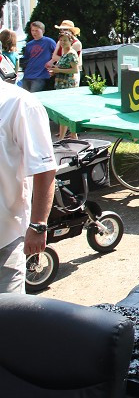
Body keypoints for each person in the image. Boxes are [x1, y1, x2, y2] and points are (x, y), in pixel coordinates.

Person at [0, 80, 57, 293]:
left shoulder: (20, 103)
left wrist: (38, 225)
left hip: (4, 238)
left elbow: (45, 168)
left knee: (7, 321)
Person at [50, 31, 80, 141]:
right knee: (63, 112)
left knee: (67, 111)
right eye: (61, 40)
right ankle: (68, 136)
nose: (62, 42)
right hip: (61, 84)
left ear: (71, 41)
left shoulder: (71, 53)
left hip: (68, 86)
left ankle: (68, 136)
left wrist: (59, 70)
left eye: (65, 40)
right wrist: (55, 71)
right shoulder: (64, 53)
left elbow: (75, 70)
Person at [20, 21, 56, 93]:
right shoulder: (29, 44)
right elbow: (26, 59)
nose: (34, 33)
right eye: (32, 30)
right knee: (24, 95)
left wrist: (52, 64)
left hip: (40, 75)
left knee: (34, 95)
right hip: (28, 74)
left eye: (36, 30)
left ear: (42, 31)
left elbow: (57, 54)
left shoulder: (49, 42)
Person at [46, 20, 83, 86]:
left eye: (65, 29)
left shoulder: (76, 44)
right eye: (61, 29)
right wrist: (55, 69)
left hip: (71, 77)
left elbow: (67, 59)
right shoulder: (60, 40)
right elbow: (55, 57)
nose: (62, 31)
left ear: (71, 31)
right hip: (61, 76)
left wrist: (58, 69)